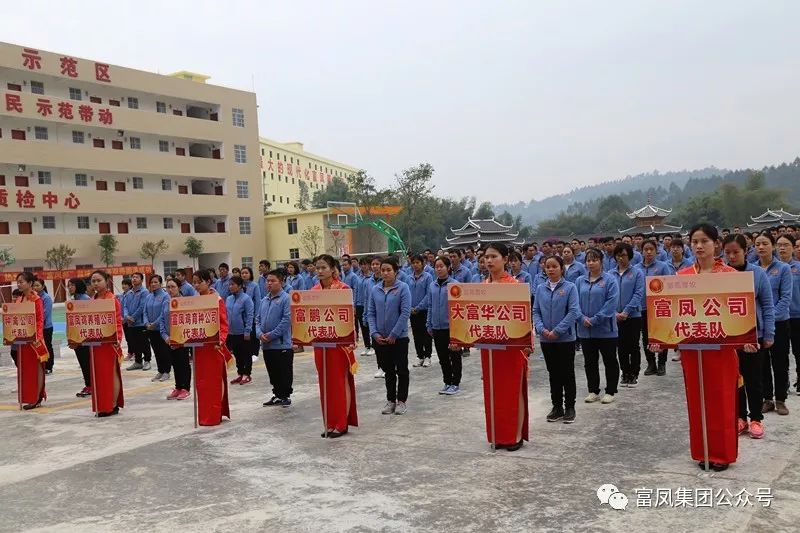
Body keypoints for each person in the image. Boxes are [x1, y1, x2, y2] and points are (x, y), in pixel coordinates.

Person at [480, 243, 532, 451]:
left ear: (505, 259)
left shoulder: (514, 285)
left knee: (513, 390)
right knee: (493, 392)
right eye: (486, 257)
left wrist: (527, 342)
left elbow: (524, 317)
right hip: (489, 346)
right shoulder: (481, 287)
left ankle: (515, 435)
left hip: (511, 347)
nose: (489, 261)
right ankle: (498, 435)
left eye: (494, 256)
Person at [723, 234, 774, 439]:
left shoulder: (757, 274)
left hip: (754, 335)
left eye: (736, 252)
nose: (732, 256)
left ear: (746, 251)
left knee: (753, 379)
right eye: (728, 252)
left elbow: (768, 305)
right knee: (735, 379)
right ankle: (740, 418)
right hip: (728, 337)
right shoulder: (721, 275)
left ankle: (756, 419)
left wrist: (768, 333)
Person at [312, 255, 359, 438]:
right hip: (320, 344)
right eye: (318, 268)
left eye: (323, 267)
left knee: (339, 381)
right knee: (325, 382)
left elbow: (349, 318)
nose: (320, 271)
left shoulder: (343, 289)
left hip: (339, 343)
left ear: (333, 269)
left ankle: (341, 423)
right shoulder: (314, 291)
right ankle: (329, 423)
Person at [534, 256, 582, 424]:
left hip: (565, 339)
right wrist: (542, 329)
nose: (551, 269)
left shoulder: (570, 287)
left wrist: (558, 331)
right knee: (553, 374)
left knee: (567, 373)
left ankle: (570, 407)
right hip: (546, 339)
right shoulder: (540, 288)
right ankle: (557, 407)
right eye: (548, 266)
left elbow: (573, 312)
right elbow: (536, 311)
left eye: (554, 266)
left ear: (562, 268)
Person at [754, 232, 792, 415]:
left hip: (780, 323)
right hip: (759, 326)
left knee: (780, 362)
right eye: (757, 244)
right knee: (762, 364)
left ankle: (781, 399)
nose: (761, 247)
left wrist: (768, 317)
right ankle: (767, 398)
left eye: (765, 243)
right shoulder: (752, 269)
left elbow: (785, 298)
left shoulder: (783, 269)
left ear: (773, 246)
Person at [367, 257, 412, 415]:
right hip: (381, 338)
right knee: (388, 371)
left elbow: (405, 313)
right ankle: (390, 400)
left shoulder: (403, 288)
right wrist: (374, 333)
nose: (385, 273)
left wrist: (394, 334)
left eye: (388, 270)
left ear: (396, 272)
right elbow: (370, 313)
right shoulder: (375, 290)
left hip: (399, 338)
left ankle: (401, 401)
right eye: (383, 270)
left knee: (402, 370)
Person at [575, 248, 620, 405]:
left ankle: (611, 391)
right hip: (585, 330)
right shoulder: (580, 281)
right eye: (588, 260)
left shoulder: (610, 280)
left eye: (594, 259)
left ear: (601, 262)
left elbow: (611, 303)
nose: (591, 263)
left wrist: (595, 319)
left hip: (605, 330)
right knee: (590, 361)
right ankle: (593, 390)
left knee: (609, 360)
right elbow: (574, 303)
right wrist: (581, 318)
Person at [192, 269, 231, 425]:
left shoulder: (217, 299)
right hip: (200, 347)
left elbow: (223, 323)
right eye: (194, 282)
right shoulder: (194, 301)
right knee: (202, 382)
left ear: (208, 282)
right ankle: (205, 414)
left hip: (213, 346)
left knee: (214, 380)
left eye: (198, 282)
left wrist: (220, 340)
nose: (195, 285)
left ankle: (215, 413)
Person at [89, 270, 125, 417]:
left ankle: (113, 404)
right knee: (99, 375)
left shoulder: (112, 299)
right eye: (93, 281)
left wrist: (117, 340)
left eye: (99, 280)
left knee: (111, 372)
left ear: (107, 281)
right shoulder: (93, 299)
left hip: (109, 342)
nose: (96, 284)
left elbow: (117, 322)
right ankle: (102, 404)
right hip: (95, 342)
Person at [426, 256, 463, 395]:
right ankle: (447, 382)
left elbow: (459, 307)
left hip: (451, 327)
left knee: (454, 355)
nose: (439, 269)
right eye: (436, 266)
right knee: (442, 357)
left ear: (448, 268)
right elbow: (430, 305)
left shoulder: (455, 285)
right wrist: (429, 324)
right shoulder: (432, 285)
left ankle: (455, 383)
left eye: (442, 266)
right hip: (437, 327)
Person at [612, 242, 645, 388]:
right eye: (618, 255)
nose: (621, 258)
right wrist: (614, 313)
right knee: (621, 346)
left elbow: (638, 294)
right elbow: (609, 296)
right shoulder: (610, 274)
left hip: (633, 316)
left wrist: (626, 311)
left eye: (624, 255)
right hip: (615, 316)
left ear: (630, 256)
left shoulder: (637, 273)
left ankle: (634, 374)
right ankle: (624, 373)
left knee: (633, 345)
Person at [258, 269, 293, 407]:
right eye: (268, 281)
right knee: (272, 371)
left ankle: (285, 395)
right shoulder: (264, 300)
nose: (269, 283)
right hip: (267, 345)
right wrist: (260, 334)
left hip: (281, 344)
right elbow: (257, 320)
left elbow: (286, 321)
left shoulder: (286, 298)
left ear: (281, 282)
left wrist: (271, 335)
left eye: (273, 281)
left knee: (284, 371)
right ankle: (277, 394)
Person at [638, 239, 672, 376]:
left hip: (659, 307)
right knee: (646, 337)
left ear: (656, 251)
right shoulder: (636, 268)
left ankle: (662, 363)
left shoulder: (663, 266)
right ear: (642, 252)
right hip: (643, 307)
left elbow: (668, 285)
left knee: (661, 335)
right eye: (646, 249)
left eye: (651, 249)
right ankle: (650, 363)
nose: (648, 252)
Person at [14, 273, 47, 410]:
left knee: (37, 368)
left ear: (30, 283)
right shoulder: (19, 299)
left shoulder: (36, 299)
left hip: (35, 341)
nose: (19, 284)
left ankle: (37, 397)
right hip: (23, 341)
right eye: (18, 282)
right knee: (25, 370)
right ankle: (28, 397)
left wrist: (37, 337)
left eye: (21, 282)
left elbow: (40, 320)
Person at [776, 234, 800, 395]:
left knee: (798, 350)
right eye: (779, 245)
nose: (782, 248)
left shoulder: (798, 267)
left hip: (797, 315)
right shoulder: (771, 268)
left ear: (793, 247)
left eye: (786, 245)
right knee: (781, 354)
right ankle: (783, 383)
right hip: (779, 317)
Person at [161, 279, 192, 400]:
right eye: (168, 287)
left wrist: (181, 338)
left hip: (182, 340)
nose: (170, 289)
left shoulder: (185, 302)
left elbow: (188, 321)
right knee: (175, 364)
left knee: (183, 363)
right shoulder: (166, 302)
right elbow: (162, 321)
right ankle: (178, 387)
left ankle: (186, 388)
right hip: (169, 340)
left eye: (173, 287)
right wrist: (165, 336)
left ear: (179, 288)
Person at [226, 276, 255, 385]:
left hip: (243, 333)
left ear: (240, 286)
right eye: (229, 284)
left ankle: (247, 374)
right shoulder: (229, 299)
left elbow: (249, 315)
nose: (230, 286)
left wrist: (247, 330)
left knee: (246, 354)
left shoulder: (246, 299)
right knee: (237, 354)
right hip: (232, 332)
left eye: (233, 284)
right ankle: (240, 373)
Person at [143, 275, 171, 382]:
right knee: (156, 351)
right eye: (152, 282)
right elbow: (145, 311)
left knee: (164, 351)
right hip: (150, 329)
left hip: (161, 329)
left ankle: (166, 371)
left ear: (160, 283)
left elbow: (163, 313)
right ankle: (160, 371)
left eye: (156, 282)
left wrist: (155, 323)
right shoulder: (148, 297)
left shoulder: (165, 296)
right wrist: (146, 323)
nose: (153, 284)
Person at [408, 254, 434, 368]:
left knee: (426, 334)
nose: (415, 265)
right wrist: (409, 307)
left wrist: (418, 307)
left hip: (424, 310)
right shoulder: (409, 278)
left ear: (422, 264)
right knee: (416, 334)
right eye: (413, 263)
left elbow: (428, 294)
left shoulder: (428, 277)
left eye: (418, 262)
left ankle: (428, 356)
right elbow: (407, 294)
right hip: (412, 311)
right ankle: (420, 356)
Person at [124, 272, 152, 371]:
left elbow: (142, 307)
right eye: (133, 277)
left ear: (141, 280)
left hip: (140, 323)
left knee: (144, 343)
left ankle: (147, 361)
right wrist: (127, 316)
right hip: (131, 324)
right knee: (134, 343)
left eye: (136, 277)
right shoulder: (129, 293)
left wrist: (133, 318)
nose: (134, 279)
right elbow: (125, 307)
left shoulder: (144, 292)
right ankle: (138, 361)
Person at [31, 278, 55, 375]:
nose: (35, 288)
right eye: (34, 286)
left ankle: (49, 366)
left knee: (47, 346)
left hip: (46, 327)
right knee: (38, 347)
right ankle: (41, 365)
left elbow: (43, 314)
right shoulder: (33, 297)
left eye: (38, 285)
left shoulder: (46, 298)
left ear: (43, 287)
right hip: (35, 327)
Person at [240, 266, 262, 362]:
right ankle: (247, 352)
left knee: (253, 334)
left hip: (252, 314)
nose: (244, 275)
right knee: (244, 335)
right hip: (241, 315)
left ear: (250, 274)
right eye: (242, 273)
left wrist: (257, 315)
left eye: (246, 273)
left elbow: (257, 301)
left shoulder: (254, 285)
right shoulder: (239, 286)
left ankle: (255, 352)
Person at [356, 257, 373, 356]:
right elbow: (356, 291)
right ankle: (367, 346)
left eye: (365, 264)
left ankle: (373, 346)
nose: (363, 266)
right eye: (361, 264)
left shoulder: (372, 277)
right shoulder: (359, 277)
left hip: (369, 304)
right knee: (363, 326)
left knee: (371, 325)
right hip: (359, 304)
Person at [118, 278, 134, 361]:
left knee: (131, 338)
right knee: (128, 338)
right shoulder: (122, 295)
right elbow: (120, 308)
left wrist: (126, 318)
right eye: (122, 284)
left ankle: (132, 353)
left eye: (125, 284)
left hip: (128, 320)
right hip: (123, 320)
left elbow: (129, 307)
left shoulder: (131, 294)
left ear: (130, 285)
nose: (123, 286)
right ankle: (131, 352)